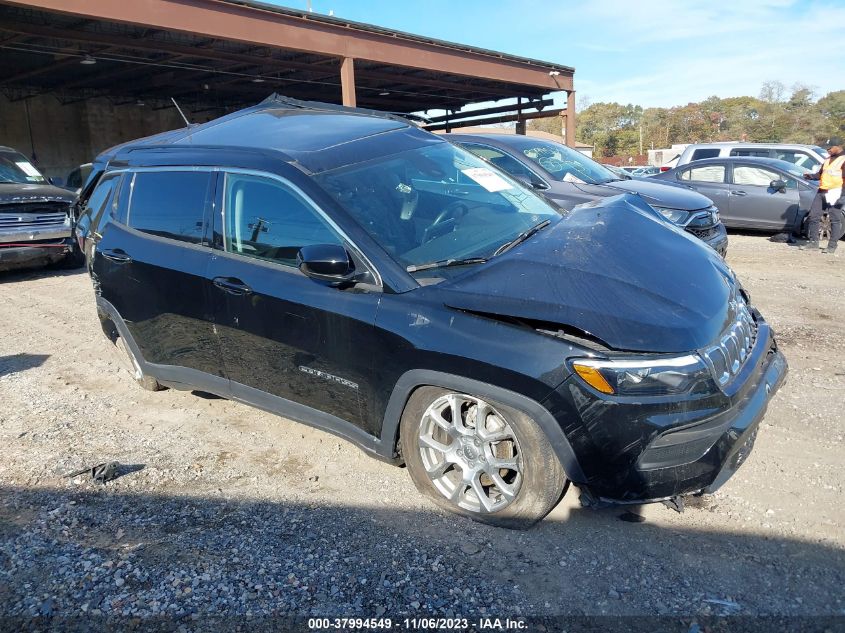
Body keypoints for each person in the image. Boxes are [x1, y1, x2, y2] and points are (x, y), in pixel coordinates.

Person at [801, 145, 845, 255]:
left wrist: (842, 195)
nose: (828, 150)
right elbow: (820, 174)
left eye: (830, 148)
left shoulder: (843, 159)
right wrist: (810, 176)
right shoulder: (827, 160)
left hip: (836, 192)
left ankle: (832, 245)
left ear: (838, 147)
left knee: (835, 218)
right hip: (822, 191)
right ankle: (813, 243)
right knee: (813, 215)